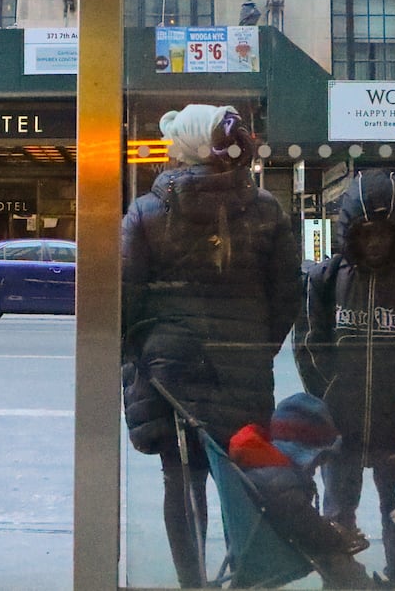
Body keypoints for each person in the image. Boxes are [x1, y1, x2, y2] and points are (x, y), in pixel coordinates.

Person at [121, 104, 303, 588]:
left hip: (170, 369)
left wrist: (138, 353)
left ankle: (192, 581)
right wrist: (259, 346)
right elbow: (287, 293)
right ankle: (248, 572)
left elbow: (125, 296)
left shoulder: (147, 211)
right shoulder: (266, 208)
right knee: (242, 474)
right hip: (241, 362)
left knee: (180, 479)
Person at [293, 169, 395, 590]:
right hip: (340, 419)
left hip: (394, 419)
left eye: (384, 232)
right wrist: (327, 396)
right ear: (351, 232)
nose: (376, 242)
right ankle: (339, 579)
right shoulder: (327, 279)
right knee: (337, 509)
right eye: (366, 233)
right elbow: (309, 343)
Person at [226, 393, 372, 589]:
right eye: (317, 461)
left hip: (262, 537)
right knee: (334, 555)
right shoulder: (277, 477)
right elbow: (302, 523)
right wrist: (338, 538)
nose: (316, 468)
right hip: (279, 543)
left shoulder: (261, 464)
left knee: (330, 546)